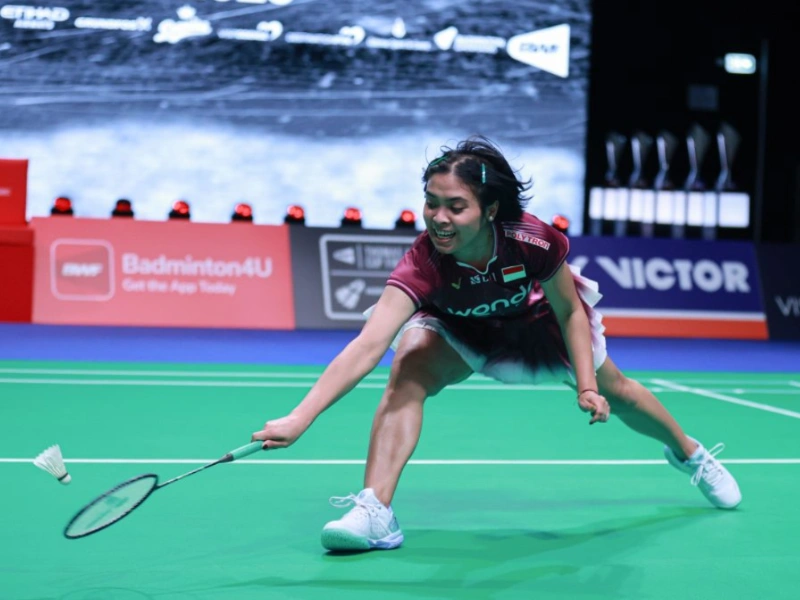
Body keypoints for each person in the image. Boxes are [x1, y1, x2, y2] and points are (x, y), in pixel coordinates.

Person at [251, 136, 742, 552]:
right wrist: (301, 416)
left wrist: (587, 386)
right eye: (431, 202)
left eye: (455, 206)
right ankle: (376, 510)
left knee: (619, 390)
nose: (439, 218)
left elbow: (570, 311)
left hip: (535, 327)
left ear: (489, 210)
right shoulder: (423, 263)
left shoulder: (532, 240)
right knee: (408, 368)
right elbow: (367, 344)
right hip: (461, 329)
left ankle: (690, 453)